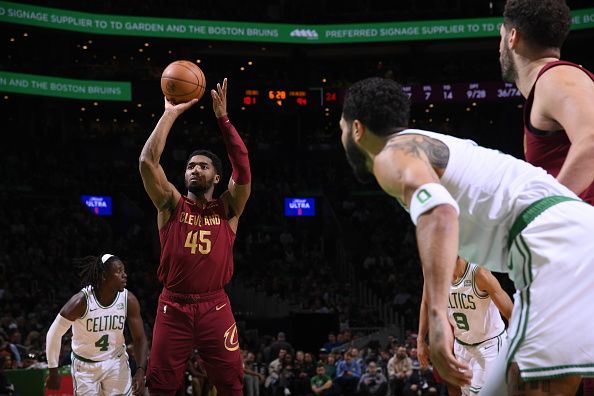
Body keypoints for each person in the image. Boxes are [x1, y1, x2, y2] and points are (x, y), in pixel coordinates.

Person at [338, 77, 594, 395]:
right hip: (573, 235)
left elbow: (441, 211)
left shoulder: (390, 156)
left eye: (341, 128)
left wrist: (437, 320)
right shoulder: (420, 146)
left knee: (529, 387)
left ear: (357, 129)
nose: (342, 136)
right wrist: (425, 329)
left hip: (552, 243)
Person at [139, 78, 251, 396]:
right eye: (189, 166)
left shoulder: (228, 208)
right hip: (173, 306)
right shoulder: (170, 203)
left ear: (216, 176)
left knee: (231, 383)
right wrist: (170, 113)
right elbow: (147, 162)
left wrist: (223, 120)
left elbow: (242, 169)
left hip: (215, 305)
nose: (194, 170)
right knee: (161, 385)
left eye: (202, 166)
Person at [499, 0, 594, 204]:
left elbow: (592, 138)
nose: (498, 50)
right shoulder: (550, 84)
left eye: (500, 38)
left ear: (512, 38)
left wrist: (546, 208)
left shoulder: (557, 78)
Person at [45, 254, 148, 395]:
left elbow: (140, 338)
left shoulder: (128, 299)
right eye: (119, 271)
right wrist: (53, 370)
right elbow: (53, 334)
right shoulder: (81, 302)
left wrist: (141, 370)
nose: (124, 275)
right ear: (104, 276)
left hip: (116, 362)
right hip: (85, 366)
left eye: (124, 270)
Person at [417, 257, 513, 395]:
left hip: (489, 345)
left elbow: (510, 312)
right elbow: (426, 303)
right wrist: (420, 340)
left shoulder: (478, 272)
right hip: (462, 346)